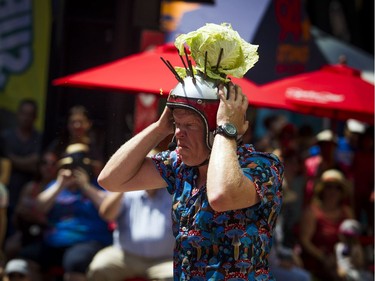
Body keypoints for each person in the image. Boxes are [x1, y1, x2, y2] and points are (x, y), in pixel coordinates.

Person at [98, 23, 284, 280]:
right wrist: (159, 126)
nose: (177, 133)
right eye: (177, 124)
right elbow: (110, 180)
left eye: (189, 125)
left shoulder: (262, 166)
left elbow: (220, 196)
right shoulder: (180, 166)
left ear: (215, 127)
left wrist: (225, 129)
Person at [19, 143, 112, 281]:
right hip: (55, 242)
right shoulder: (57, 185)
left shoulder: (98, 186)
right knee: (25, 258)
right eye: (71, 166)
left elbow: (108, 208)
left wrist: (85, 186)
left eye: (79, 166)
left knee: (75, 262)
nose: (74, 170)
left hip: (88, 241)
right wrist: (59, 185)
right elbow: (39, 207)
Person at [87, 149, 174, 280]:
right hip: (125, 256)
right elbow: (107, 214)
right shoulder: (127, 191)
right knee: (99, 268)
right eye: (144, 167)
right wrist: (125, 183)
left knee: (174, 276)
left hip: (164, 260)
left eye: (154, 167)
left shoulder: (173, 193)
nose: (148, 172)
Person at [299, 169, 354, 281]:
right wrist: (323, 257)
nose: (333, 191)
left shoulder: (347, 212)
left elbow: (353, 238)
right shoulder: (312, 212)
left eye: (337, 187)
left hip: (343, 262)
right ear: (322, 190)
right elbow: (305, 241)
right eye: (329, 187)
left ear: (342, 192)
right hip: (317, 264)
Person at [4, 151, 59, 260]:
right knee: (10, 247)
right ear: (39, 166)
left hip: (49, 233)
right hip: (28, 230)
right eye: (44, 163)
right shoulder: (30, 187)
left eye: (53, 164)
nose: (48, 167)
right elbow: (16, 217)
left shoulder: (62, 188)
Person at [0, 99, 42, 238]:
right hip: (8, 192)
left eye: (30, 114)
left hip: (28, 197)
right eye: (23, 113)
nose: (26, 118)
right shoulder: (6, 137)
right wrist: (26, 162)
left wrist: (14, 159)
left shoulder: (39, 138)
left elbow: (36, 163)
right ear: (18, 114)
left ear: (35, 117)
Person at [47, 105, 104, 177]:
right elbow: (48, 168)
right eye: (73, 122)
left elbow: (101, 172)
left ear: (89, 124)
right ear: (68, 124)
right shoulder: (58, 145)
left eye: (81, 122)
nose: (77, 126)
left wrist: (85, 162)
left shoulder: (95, 146)